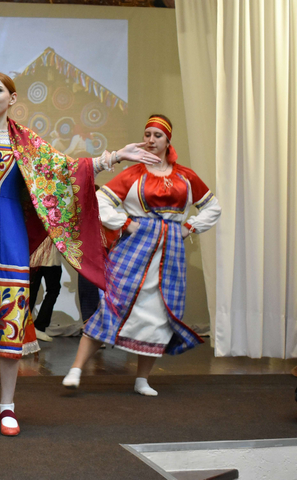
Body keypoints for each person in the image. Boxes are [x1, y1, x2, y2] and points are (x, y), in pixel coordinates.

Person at [0, 72, 160, 436]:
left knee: (11, 324)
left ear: (12, 98)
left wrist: (114, 157)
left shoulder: (26, 142)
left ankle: (7, 406)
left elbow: (66, 171)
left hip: (12, 242)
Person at [62, 114, 221, 396]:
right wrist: (124, 223)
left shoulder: (185, 176)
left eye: (157, 135)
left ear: (168, 141)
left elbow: (212, 207)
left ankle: (142, 379)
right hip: (135, 248)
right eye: (147, 134)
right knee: (113, 304)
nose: (150, 140)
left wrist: (189, 228)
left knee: (157, 314)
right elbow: (101, 199)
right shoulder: (133, 173)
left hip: (169, 252)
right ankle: (76, 368)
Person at [28, 237, 63, 342]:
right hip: (49, 257)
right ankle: (39, 326)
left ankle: (27, 325)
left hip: (34, 256)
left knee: (32, 291)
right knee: (52, 290)